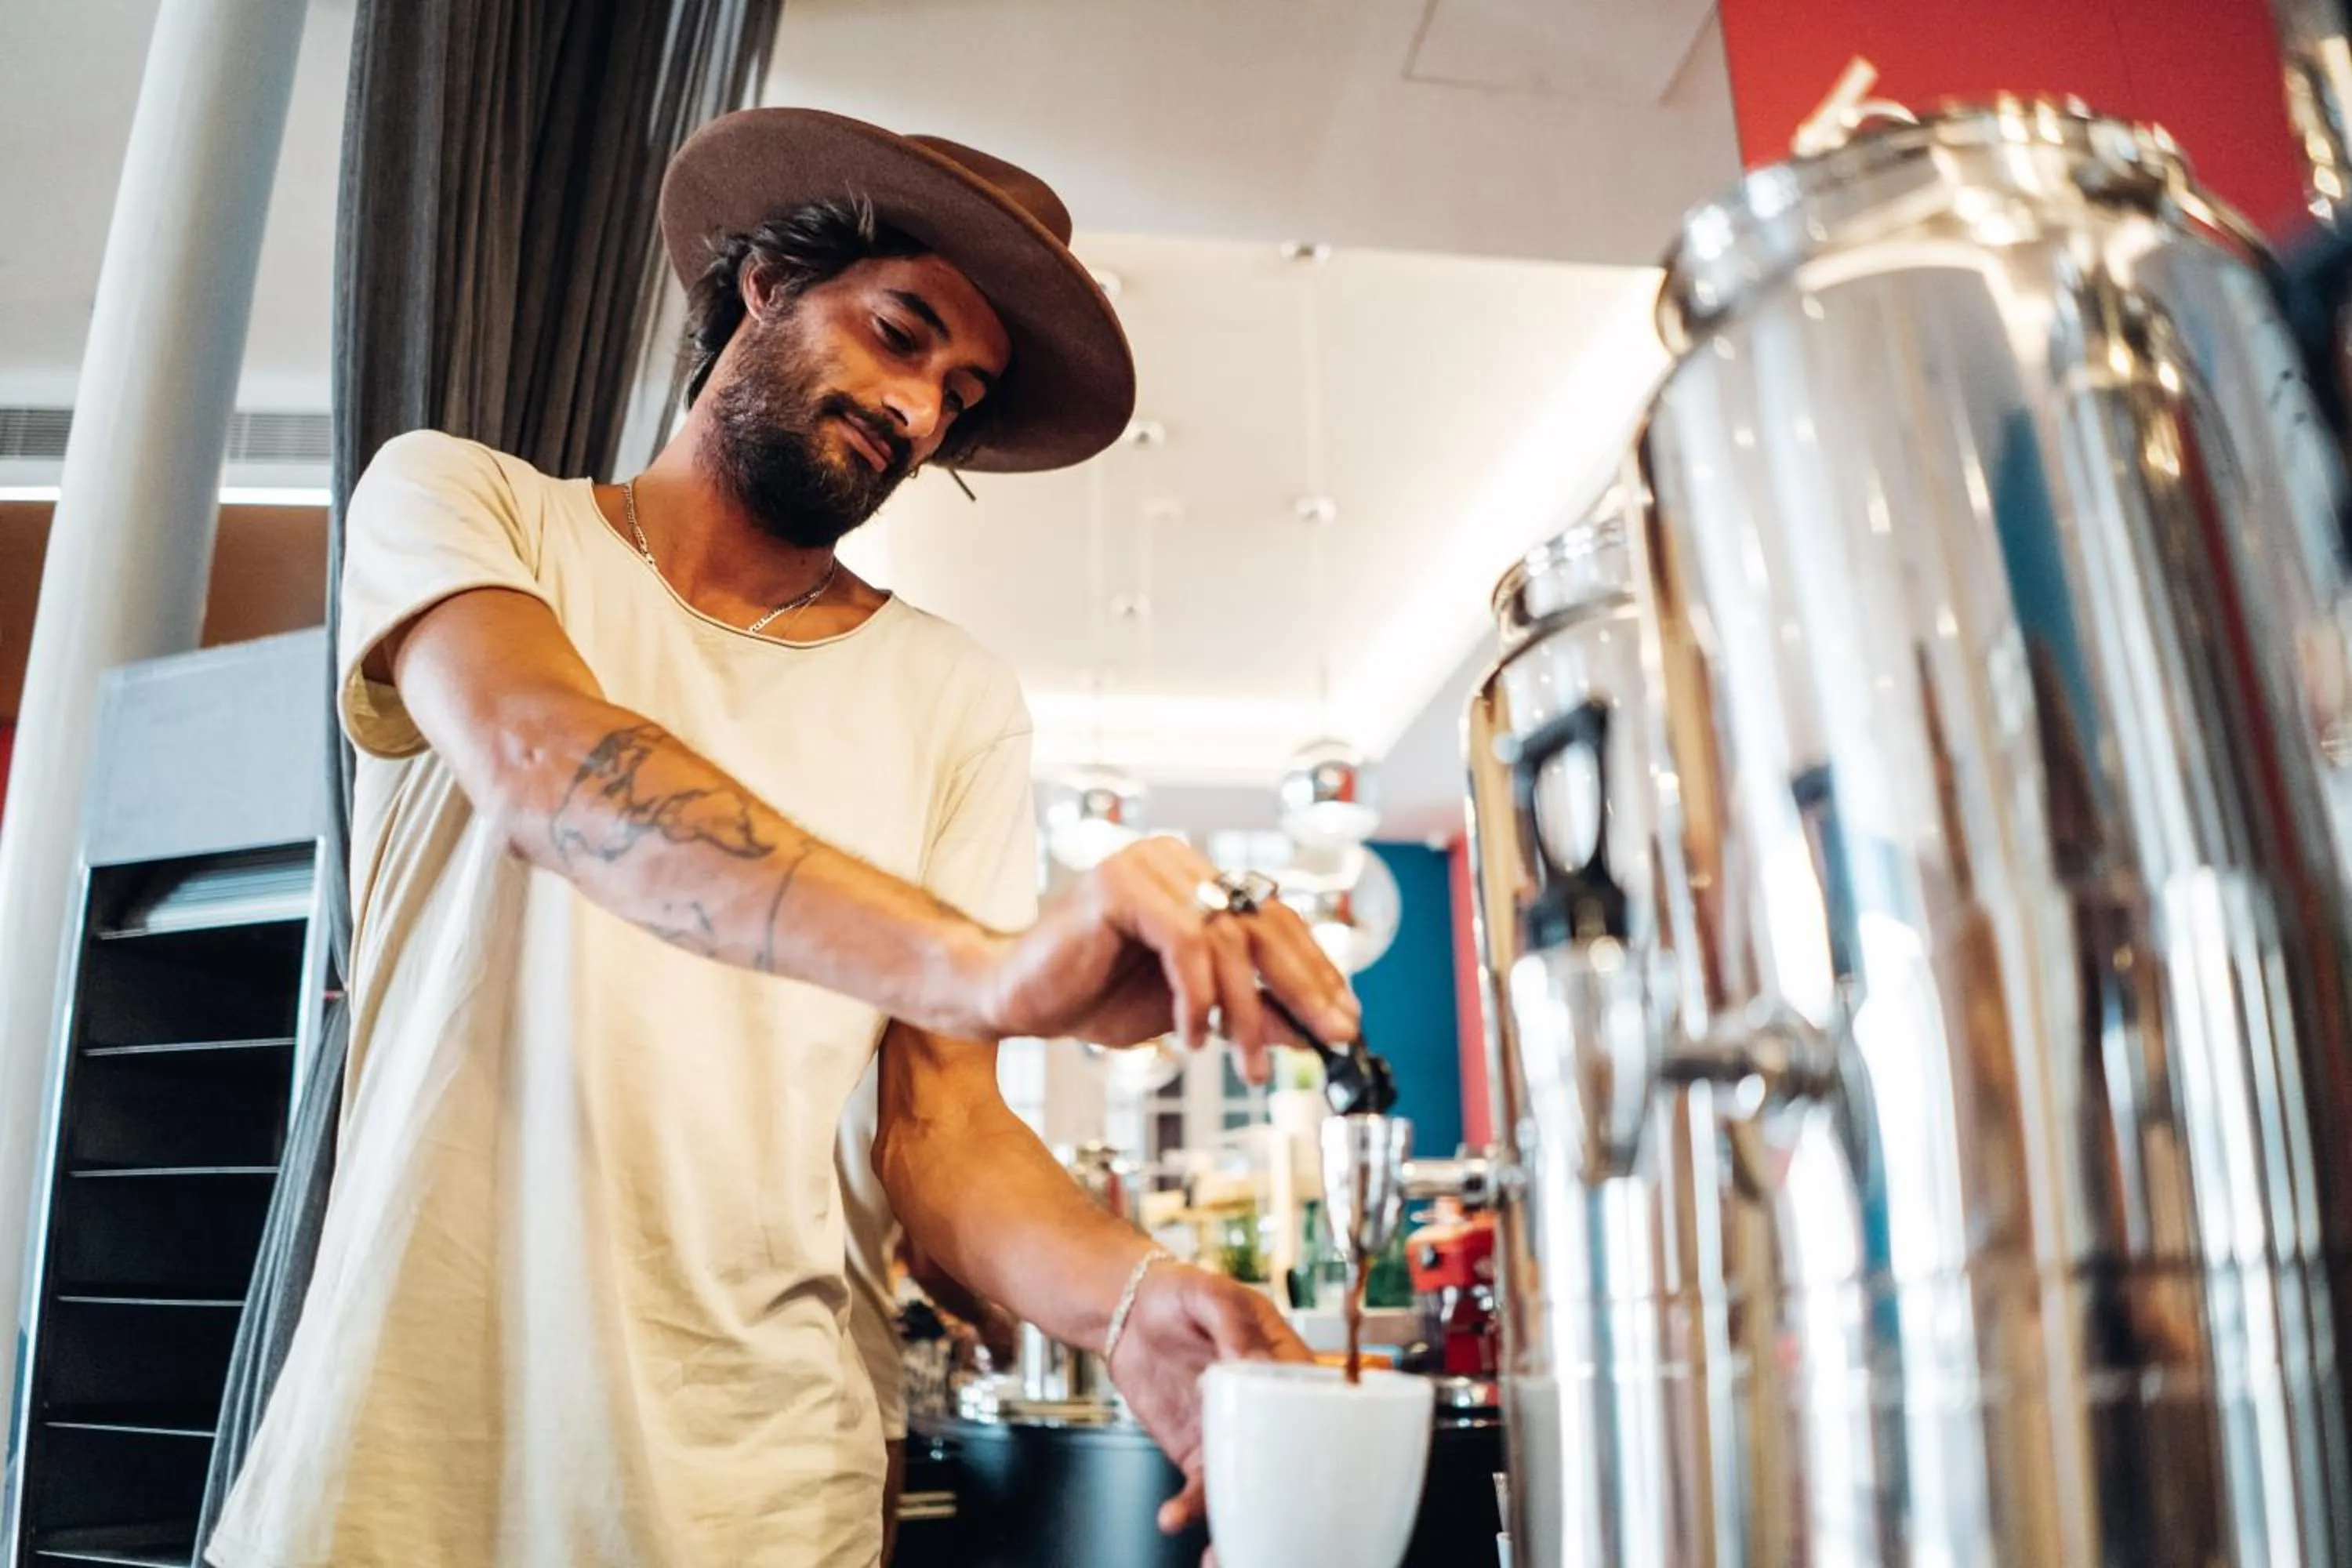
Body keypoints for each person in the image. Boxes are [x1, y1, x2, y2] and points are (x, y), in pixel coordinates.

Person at [205, 107, 1356, 1567]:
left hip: (756, 1496)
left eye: (963, 390)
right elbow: (546, 765)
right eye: (902, 330)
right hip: (403, 1467)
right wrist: (985, 965)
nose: (923, 408)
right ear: (763, 284)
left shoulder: (953, 699)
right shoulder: (467, 506)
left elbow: (943, 1137)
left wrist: (1126, 1299)